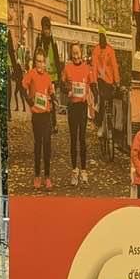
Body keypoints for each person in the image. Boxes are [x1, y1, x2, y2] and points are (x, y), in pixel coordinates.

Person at [62, 42, 94, 186]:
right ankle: (74, 171)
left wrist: (93, 97)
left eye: (77, 53)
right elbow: (62, 86)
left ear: (81, 53)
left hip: (82, 107)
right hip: (72, 107)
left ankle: (84, 171)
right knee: (73, 139)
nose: (76, 56)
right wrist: (67, 91)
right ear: (71, 54)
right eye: (73, 53)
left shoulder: (87, 68)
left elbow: (93, 84)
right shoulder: (67, 68)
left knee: (82, 139)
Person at [22, 47, 55, 190]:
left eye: (42, 62)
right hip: (36, 115)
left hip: (46, 115)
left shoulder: (48, 77)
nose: (40, 64)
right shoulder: (31, 74)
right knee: (38, 145)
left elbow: (52, 93)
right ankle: (37, 176)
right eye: (38, 61)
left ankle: (47, 177)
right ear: (35, 62)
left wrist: (53, 99)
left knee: (47, 145)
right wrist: (29, 101)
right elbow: (23, 87)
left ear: (45, 63)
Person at [35, 17, 62, 133]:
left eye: (48, 29)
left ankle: (54, 124)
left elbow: (56, 57)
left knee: (52, 98)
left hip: (53, 75)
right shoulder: (39, 39)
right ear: (42, 28)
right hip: (42, 74)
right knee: (42, 98)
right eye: (45, 28)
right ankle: (43, 121)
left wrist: (60, 76)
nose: (47, 31)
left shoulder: (53, 40)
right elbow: (35, 55)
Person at [91, 29, 120, 140]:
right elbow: (94, 67)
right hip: (100, 80)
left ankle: (109, 126)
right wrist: (93, 81)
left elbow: (114, 66)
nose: (101, 38)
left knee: (110, 102)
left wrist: (117, 81)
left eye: (103, 36)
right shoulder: (96, 50)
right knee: (101, 99)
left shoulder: (110, 50)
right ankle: (100, 124)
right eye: (100, 36)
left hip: (109, 80)